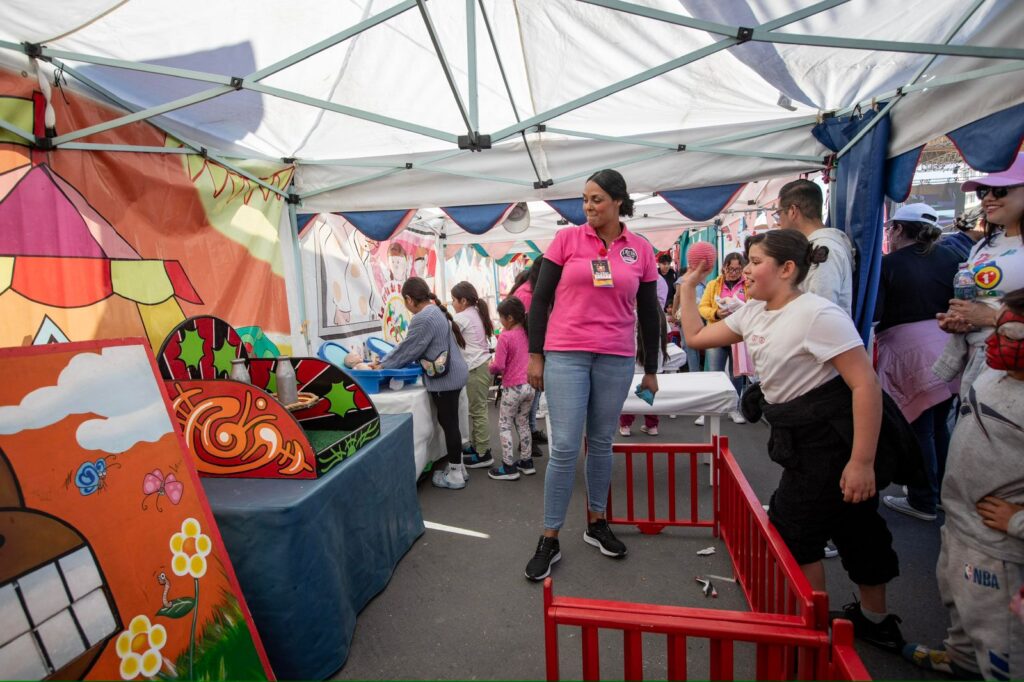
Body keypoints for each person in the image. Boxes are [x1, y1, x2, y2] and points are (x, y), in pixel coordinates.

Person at [679, 229, 908, 652]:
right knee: (852, 524)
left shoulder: (818, 314)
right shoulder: (751, 313)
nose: (745, 269)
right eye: (745, 261)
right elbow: (694, 337)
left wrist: (861, 463)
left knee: (797, 528)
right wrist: (690, 285)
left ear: (787, 269)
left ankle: (813, 634)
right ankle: (868, 623)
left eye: (755, 261)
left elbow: (865, 386)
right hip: (800, 434)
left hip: (834, 438)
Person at [523, 169, 662, 582]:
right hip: (566, 354)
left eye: (597, 199)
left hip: (616, 357)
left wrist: (651, 369)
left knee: (602, 443)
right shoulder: (567, 240)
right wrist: (535, 355)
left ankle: (597, 523)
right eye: (585, 199)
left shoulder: (640, 249)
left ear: (619, 201)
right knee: (565, 447)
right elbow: (540, 299)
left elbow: (649, 314)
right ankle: (549, 537)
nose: (588, 207)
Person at [903, 288, 1024, 680]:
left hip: (1000, 543)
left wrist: (1017, 521)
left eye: (1013, 335)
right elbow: (949, 370)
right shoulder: (992, 372)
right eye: (998, 329)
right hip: (961, 521)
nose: (998, 342)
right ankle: (961, 658)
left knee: (999, 634)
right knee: (958, 601)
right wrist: (959, 330)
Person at [873, 204, 961, 522]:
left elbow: (877, 313)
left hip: (910, 351)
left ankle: (923, 498)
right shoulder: (951, 258)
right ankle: (942, 495)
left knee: (920, 428)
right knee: (940, 425)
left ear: (897, 229)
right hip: (952, 345)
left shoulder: (889, 264)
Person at [934, 152, 1024, 398]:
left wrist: (992, 317)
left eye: (1001, 190)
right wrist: (959, 321)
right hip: (978, 362)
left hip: (1016, 371)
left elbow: (988, 311)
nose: (989, 198)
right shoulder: (983, 245)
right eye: (983, 191)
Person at [377, 277, 469, 489]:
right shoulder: (435, 311)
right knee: (451, 424)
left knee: (450, 425)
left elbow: (409, 348)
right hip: (453, 375)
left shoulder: (423, 317)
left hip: (445, 380)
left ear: (409, 299)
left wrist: (383, 365)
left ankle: (455, 473)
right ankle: (459, 468)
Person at [774, 178, 855, 315]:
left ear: (793, 211)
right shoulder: (815, 245)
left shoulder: (825, 249)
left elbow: (819, 312)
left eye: (779, 214)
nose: (778, 223)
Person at [697, 251, 749, 424]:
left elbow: (757, 304)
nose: (733, 273)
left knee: (737, 375)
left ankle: (734, 408)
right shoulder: (713, 285)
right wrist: (716, 313)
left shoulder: (748, 284)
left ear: (742, 269)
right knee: (713, 372)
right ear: (724, 267)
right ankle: (709, 409)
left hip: (739, 336)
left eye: (737, 269)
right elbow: (702, 307)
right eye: (729, 269)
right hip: (717, 333)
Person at [487, 297, 536, 480]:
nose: (500, 320)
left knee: (505, 424)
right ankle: (526, 461)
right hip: (530, 386)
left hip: (513, 388)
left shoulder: (505, 337)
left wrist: (490, 367)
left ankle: (508, 466)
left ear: (509, 318)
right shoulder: (528, 332)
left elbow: (498, 366)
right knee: (522, 422)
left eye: (500, 317)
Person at [450, 281, 495, 469]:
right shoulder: (476, 312)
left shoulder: (463, 317)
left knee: (478, 412)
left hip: (477, 368)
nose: (452, 303)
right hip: (482, 365)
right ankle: (479, 447)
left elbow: (445, 333)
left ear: (463, 300)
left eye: (453, 300)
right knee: (479, 410)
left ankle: (483, 454)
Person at [509, 258, 548, 453]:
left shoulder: (533, 289)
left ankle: (530, 433)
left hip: (534, 351)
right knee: (528, 400)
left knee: (534, 396)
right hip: (527, 353)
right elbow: (526, 328)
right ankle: (526, 441)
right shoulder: (525, 294)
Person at [619, 308, 670, 436]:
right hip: (654, 365)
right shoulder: (660, 315)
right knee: (650, 396)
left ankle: (625, 425)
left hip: (634, 363)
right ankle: (652, 425)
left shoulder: (633, 314)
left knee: (629, 397)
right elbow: (667, 336)